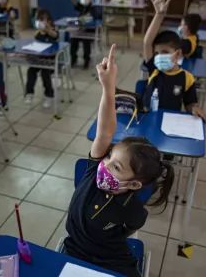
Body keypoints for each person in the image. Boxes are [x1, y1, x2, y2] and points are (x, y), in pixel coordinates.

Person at [64, 44, 175, 277]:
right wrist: (108, 87)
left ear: (134, 184)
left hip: (111, 258)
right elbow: (105, 132)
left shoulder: (130, 206)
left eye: (116, 166)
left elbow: (132, 227)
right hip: (75, 248)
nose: (104, 165)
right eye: (109, 157)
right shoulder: (94, 170)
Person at [143, 0, 206, 120]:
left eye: (165, 52)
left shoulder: (187, 78)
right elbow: (147, 42)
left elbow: (189, 103)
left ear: (177, 54)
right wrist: (159, 15)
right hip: (149, 120)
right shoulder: (155, 70)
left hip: (170, 122)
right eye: (157, 53)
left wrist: (194, 108)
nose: (160, 56)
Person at [24, 9, 58, 108]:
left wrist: (48, 30)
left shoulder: (53, 31)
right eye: (40, 19)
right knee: (31, 71)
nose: (42, 22)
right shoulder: (37, 34)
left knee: (45, 73)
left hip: (50, 61)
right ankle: (29, 93)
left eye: (44, 19)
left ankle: (49, 95)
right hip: (39, 59)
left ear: (50, 21)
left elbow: (55, 35)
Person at [69, 0, 97, 69]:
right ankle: (73, 59)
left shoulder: (93, 7)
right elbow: (75, 4)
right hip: (79, 31)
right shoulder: (81, 6)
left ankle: (86, 60)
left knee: (86, 41)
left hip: (89, 31)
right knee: (73, 39)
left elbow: (89, 16)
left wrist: (83, 18)